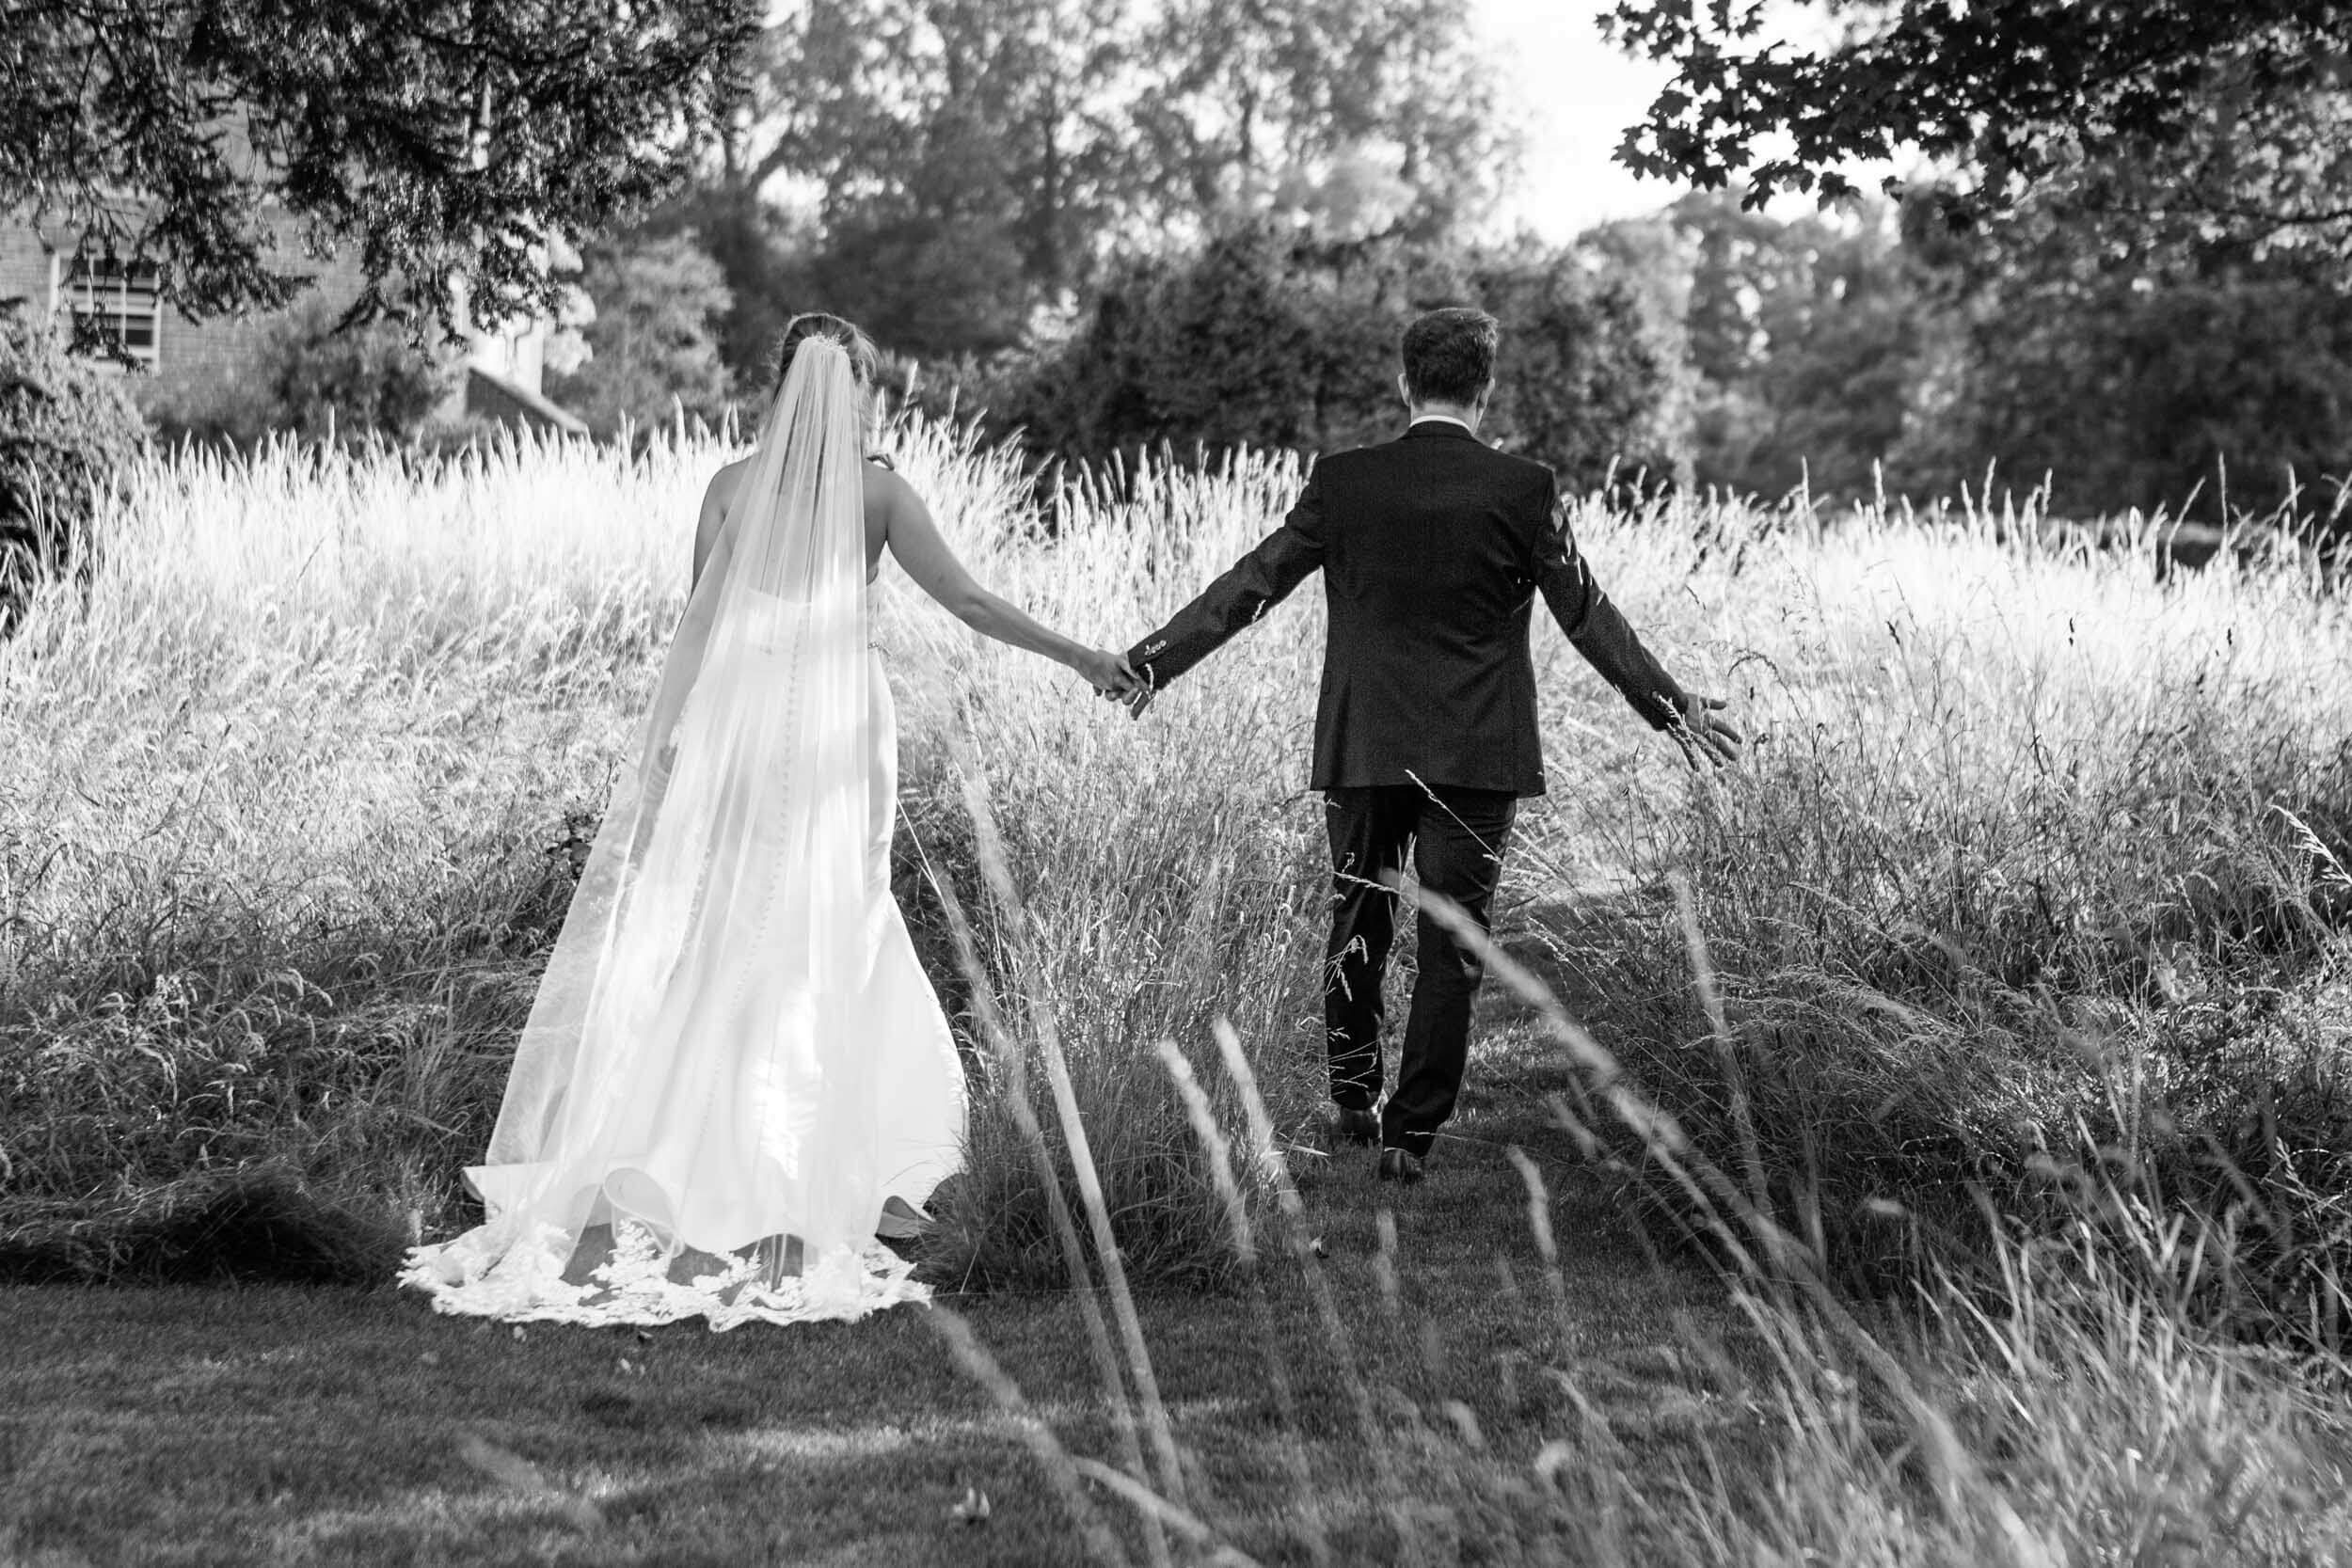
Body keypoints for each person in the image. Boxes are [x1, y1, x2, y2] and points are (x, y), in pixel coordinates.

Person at [403, 313, 1136, 1327]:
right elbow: (966, 599)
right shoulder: (879, 490)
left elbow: (697, 629)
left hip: (741, 730)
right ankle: (844, 1161)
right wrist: (1083, 655)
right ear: (859, 393)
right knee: (839, 920)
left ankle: (683, 1143)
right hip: (838, 731)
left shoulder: (728, 489)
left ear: (776, 386)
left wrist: (673, 753)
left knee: (729, 925)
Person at [1115, 307, 1742, 1183]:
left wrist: (1154, 662)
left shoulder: (1346, 481)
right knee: (1454, 944)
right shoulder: (1524, 488)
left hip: (1365, 743)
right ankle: (1410, 1134)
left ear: (1404, 383)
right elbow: (1587, 614)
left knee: (1358, 918)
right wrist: (1672, 708)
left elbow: (1252, 584)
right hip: (1478, 753)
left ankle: (1351, 1095)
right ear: (1484, 390)